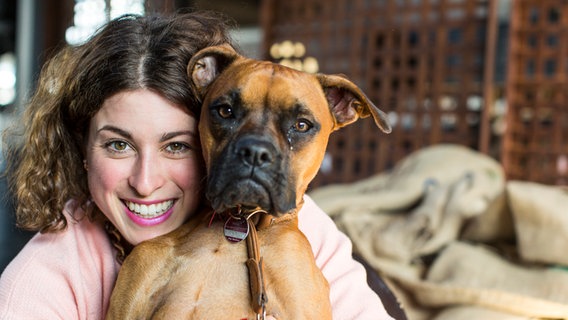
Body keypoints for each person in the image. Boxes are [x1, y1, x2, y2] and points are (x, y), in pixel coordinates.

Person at [0, 11, 393, 319]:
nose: (146, 181)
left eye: (176, 146)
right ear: (81, 146)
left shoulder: (304, 229)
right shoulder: (41, 279)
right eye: (119, 145)